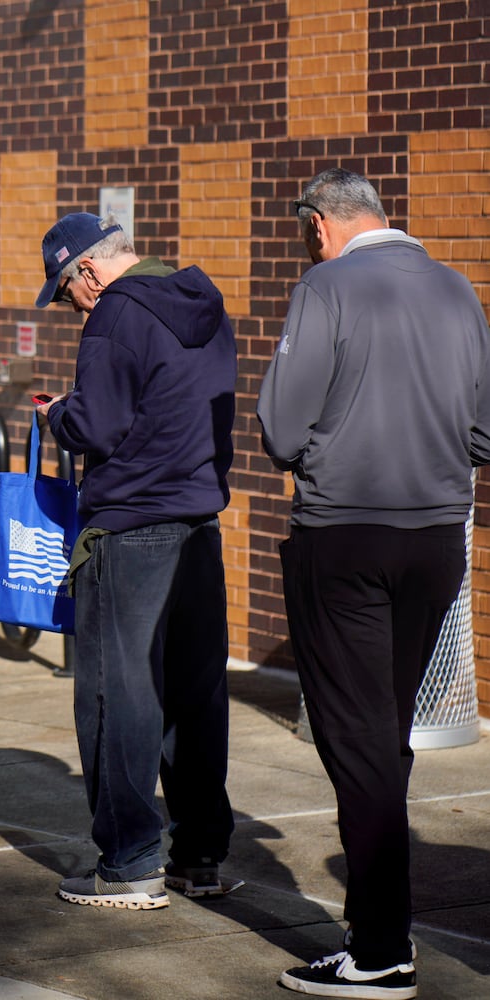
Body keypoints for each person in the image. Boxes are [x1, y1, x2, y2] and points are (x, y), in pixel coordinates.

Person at [258, 168, 490, 999]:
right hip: (434, 537)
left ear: (320, 224)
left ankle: (381, 949)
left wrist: (326, 452)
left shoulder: (324, 285)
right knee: (382, 733)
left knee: (356, 741)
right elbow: (484, 428)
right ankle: (378, 933)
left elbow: (280, 427)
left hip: (344, 535)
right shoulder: (456, 290)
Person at [32, 212, 238, 910]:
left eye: (65, 293)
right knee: (194, 695)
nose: (70, 308)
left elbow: (97, 424)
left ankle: (126, 862)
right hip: (198, 520)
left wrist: (57, 413)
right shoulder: (203, 304)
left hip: (129, 527)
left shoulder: (114, 316)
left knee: (116, 696)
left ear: (87, 271)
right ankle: (197, 856)